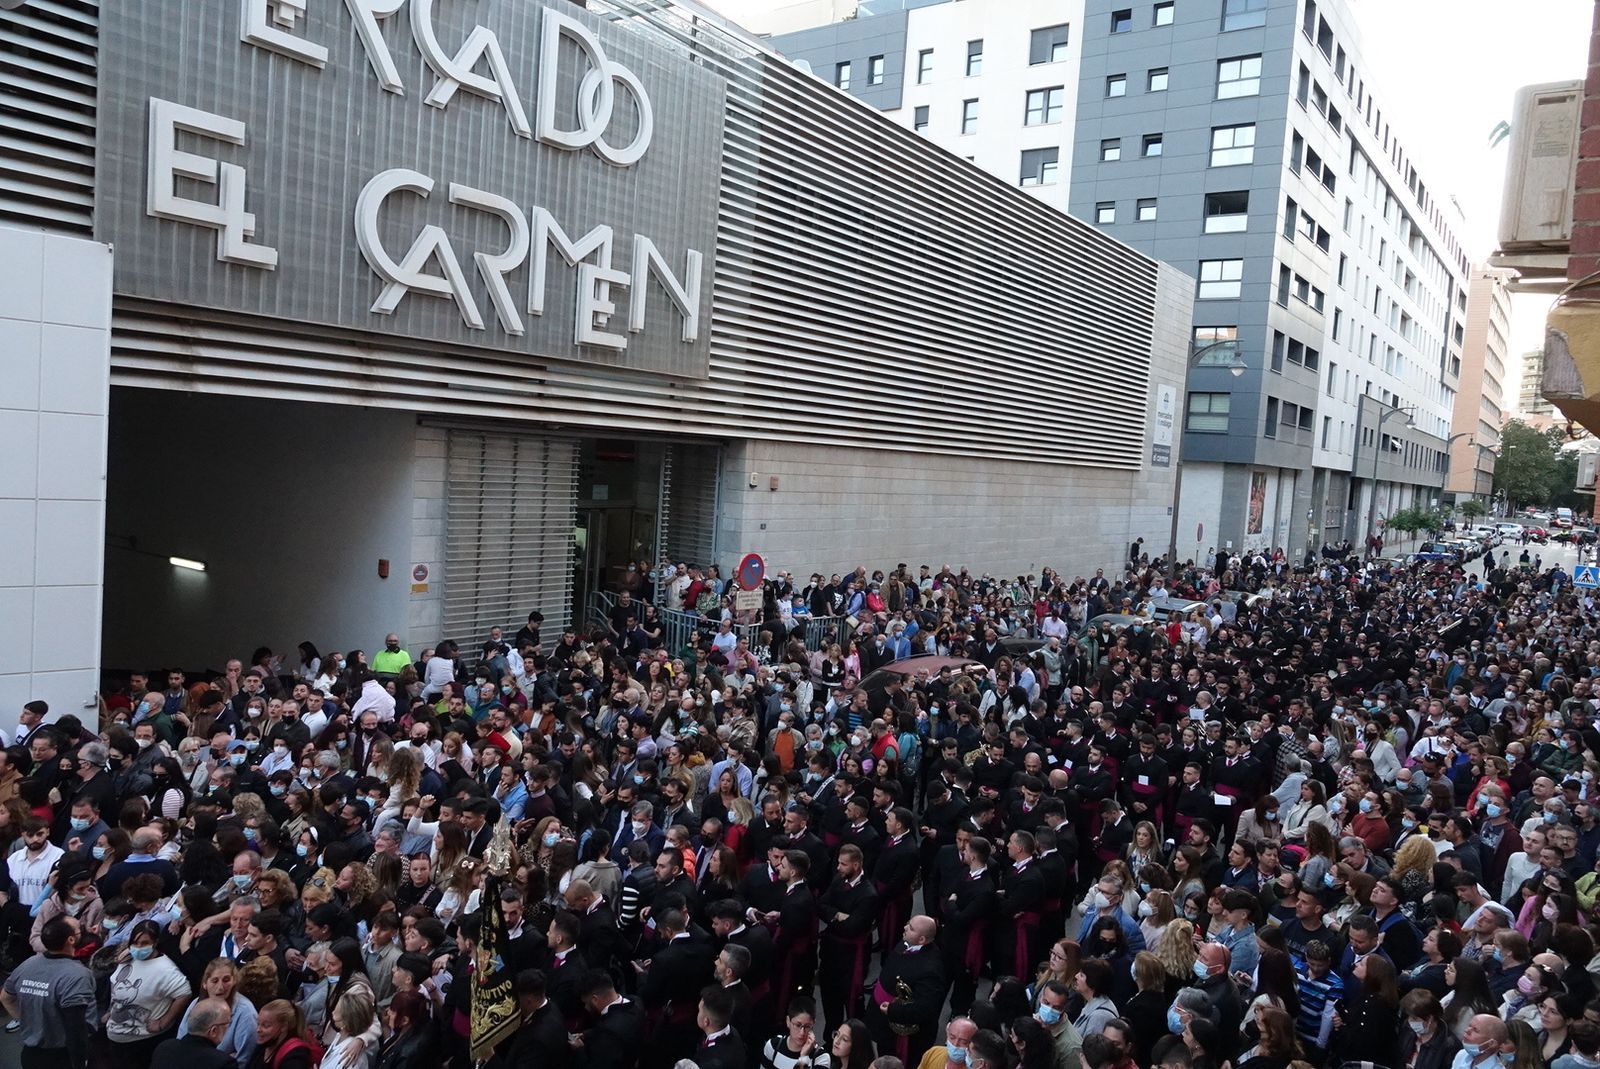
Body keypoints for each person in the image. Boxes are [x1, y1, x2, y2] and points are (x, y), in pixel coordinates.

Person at [0, 914, 96, 1069]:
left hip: (30, 1054)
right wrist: (80, 1062)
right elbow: (75, 1028)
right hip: (63, 1056)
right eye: (79, 929)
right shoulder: (77, 975)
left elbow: (5, 997)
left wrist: (29, 1020)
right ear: (71, 940)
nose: (83, 931)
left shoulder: (28, 964)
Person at [106, 919, 195, 1069]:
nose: (139, 947)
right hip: (116, 1036)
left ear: (155, 943)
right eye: (135, 943)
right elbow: (115, 984)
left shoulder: (165, 969)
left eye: (144, 943)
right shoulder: (127, 959)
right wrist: (110, 1011)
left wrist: (164, 1022)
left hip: (142, 1042)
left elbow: (184, 993)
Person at [176, 959, 258, 1068]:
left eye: (226, 980)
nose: (220, 987)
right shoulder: (196, 1003)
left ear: (234, 981)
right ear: (205, 983)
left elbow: (244, 1058)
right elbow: (181, 1040)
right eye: (215, 981)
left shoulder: (245, 1011)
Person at [150, 997, 235, 1069]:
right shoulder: (223, 1063)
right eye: (227, 1023)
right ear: (213, 1031)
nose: (228, 1027)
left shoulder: (164, 1048)